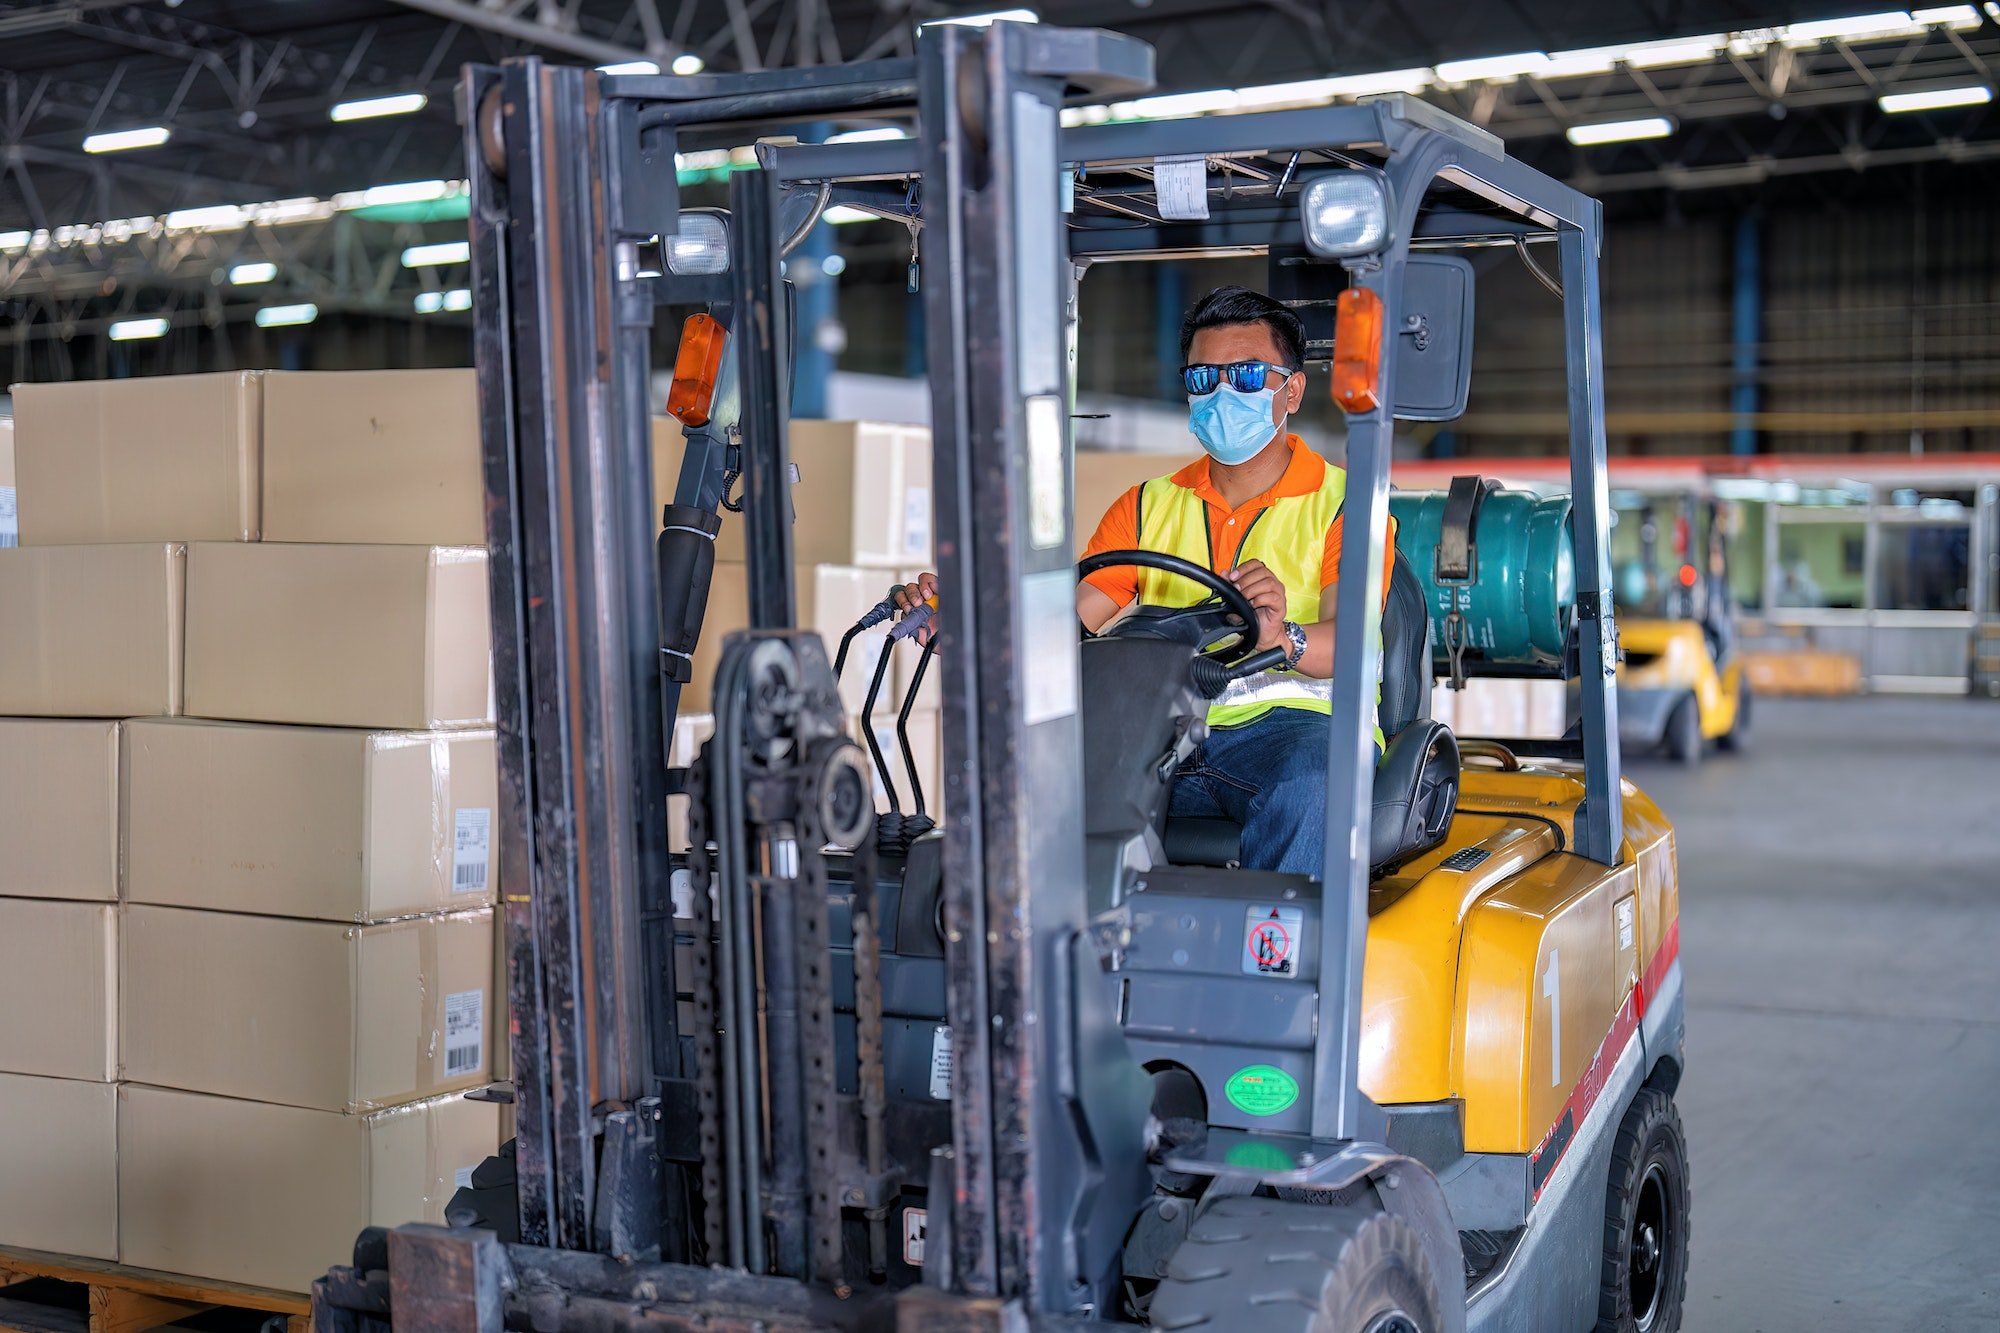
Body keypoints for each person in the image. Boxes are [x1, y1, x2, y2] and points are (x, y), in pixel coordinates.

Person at [899, 285, 1392, 877]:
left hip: (1296, 733)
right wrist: (968, 623)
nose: (1223, 393)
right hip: (1159, 732)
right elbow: (1064, 624)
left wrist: (1282, 637)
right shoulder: (1146, 506)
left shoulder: (1345, 505)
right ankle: (1069, 958)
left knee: (1318, 783)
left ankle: (1278, 958)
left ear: (1292, 388)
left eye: (1247, 374)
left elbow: (1353, 645)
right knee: (1036, 782)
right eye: (1204, 378)